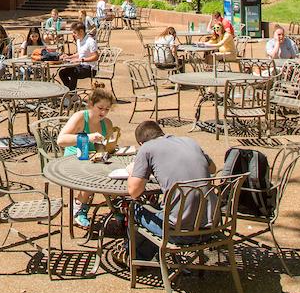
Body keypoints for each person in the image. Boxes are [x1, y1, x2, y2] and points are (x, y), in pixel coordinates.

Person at [126, 120, 215, 249]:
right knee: (160, 208)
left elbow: (134, 191)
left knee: (135, 209)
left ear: (141, 143)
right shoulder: (189, 141)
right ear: (161, 132)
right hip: (211, 226)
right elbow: (212, 168)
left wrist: (131, 172)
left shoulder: (147, 148)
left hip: (179, 233)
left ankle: (137, 258)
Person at [56, 87, 117, 228]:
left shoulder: (106, 123)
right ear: (91, 105)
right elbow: (61, 140)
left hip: (94, 158)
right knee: (94, 176)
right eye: (100, 108)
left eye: (107, 109)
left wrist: (109, 147)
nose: (103, 112)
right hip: (74, 157)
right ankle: (79, 208)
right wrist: (87, 137)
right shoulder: (80, 118)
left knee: (115, 174)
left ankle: (115, 206)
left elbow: (107, 145)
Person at [58, 22, 99, 91]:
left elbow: (95, 56)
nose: (73, 34)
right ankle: (71, 92)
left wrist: (81, 60)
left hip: (90, 68)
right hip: (80, 66)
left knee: (73, 72)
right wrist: (69, 57)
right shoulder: (79, 40)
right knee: (62, 72)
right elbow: (80, 53)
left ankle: (71, 94)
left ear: (81, 31)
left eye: (74, 32)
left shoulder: (90, 41)